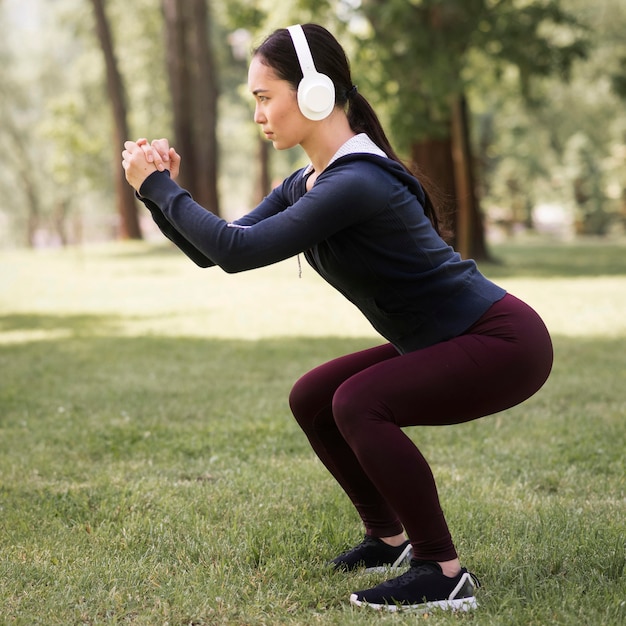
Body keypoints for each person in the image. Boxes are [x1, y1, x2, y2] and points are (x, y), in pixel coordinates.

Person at [121, 23, 553, 613]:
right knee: (314, 397)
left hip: (502, 341)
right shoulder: (311, 182)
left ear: (317, 93)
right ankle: (389, 539)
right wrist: (158, 192)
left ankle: (442, 571)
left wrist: (163, 188)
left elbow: (235, 250)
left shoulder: (359, 181)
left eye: (264, 97)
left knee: (357, 402)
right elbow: (217, 250)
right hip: (447, 338)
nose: (259, 116)